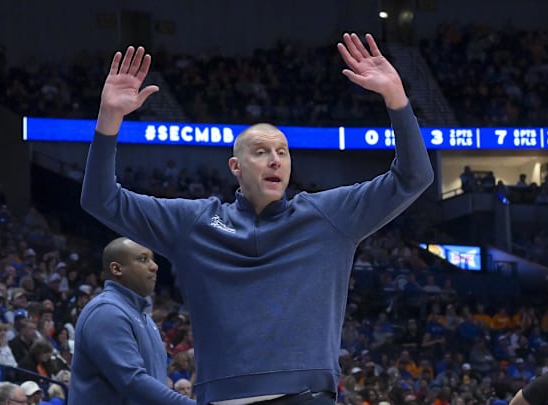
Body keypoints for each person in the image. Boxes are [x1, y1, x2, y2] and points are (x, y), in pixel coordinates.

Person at [80, 33, 433, 404]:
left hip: (304, 394)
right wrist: (109, 120)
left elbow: (413, 177)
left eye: (282, 151)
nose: (275, 159)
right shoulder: (194, 221)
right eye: (261, 152)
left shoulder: (329, 215)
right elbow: (100, 199)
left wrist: (397, 98)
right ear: (236, 166)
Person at [68, 238, 195, 405]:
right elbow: (132, 382)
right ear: (117, 269)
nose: (154, 266)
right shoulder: (106, 311)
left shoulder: (144, 318)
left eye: (153, 259)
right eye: (143, 259)